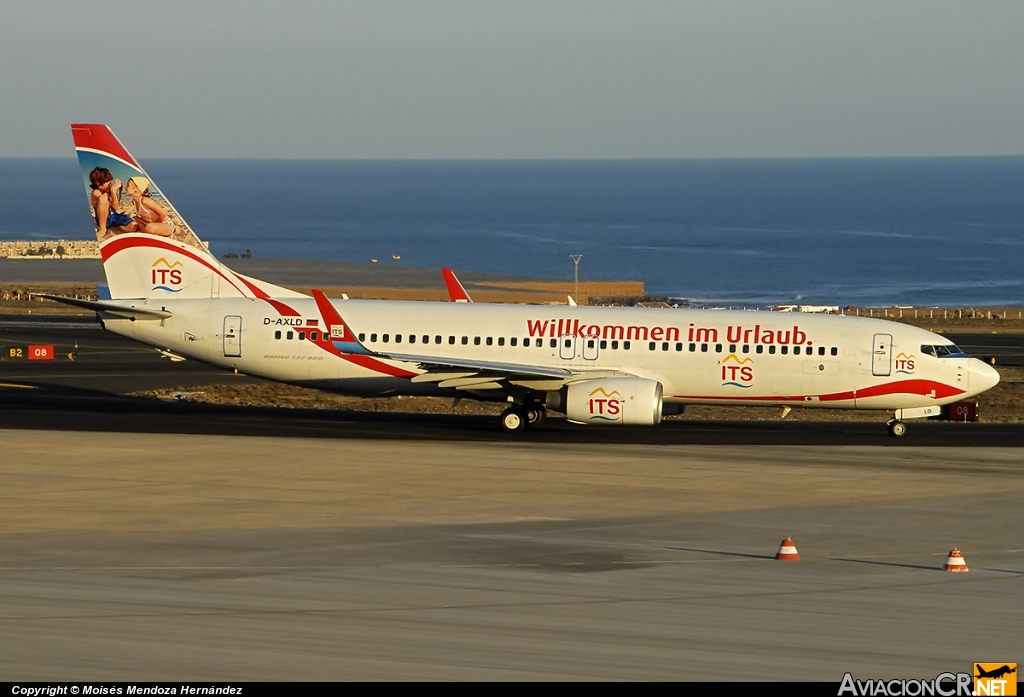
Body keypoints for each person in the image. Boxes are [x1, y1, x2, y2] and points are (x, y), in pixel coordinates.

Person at [88, 167, 136, 240]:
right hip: (103, 220)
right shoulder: (96, 192)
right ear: (99, 184)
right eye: (109, 183)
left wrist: (117, 191)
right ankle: (103, 229)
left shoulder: (108, 192)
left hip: (114, 217)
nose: (110, 185)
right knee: (104, 197)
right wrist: (113, 190)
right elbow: (112, 205)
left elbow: (116, 206)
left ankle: (117, 227)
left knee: (133, 225)